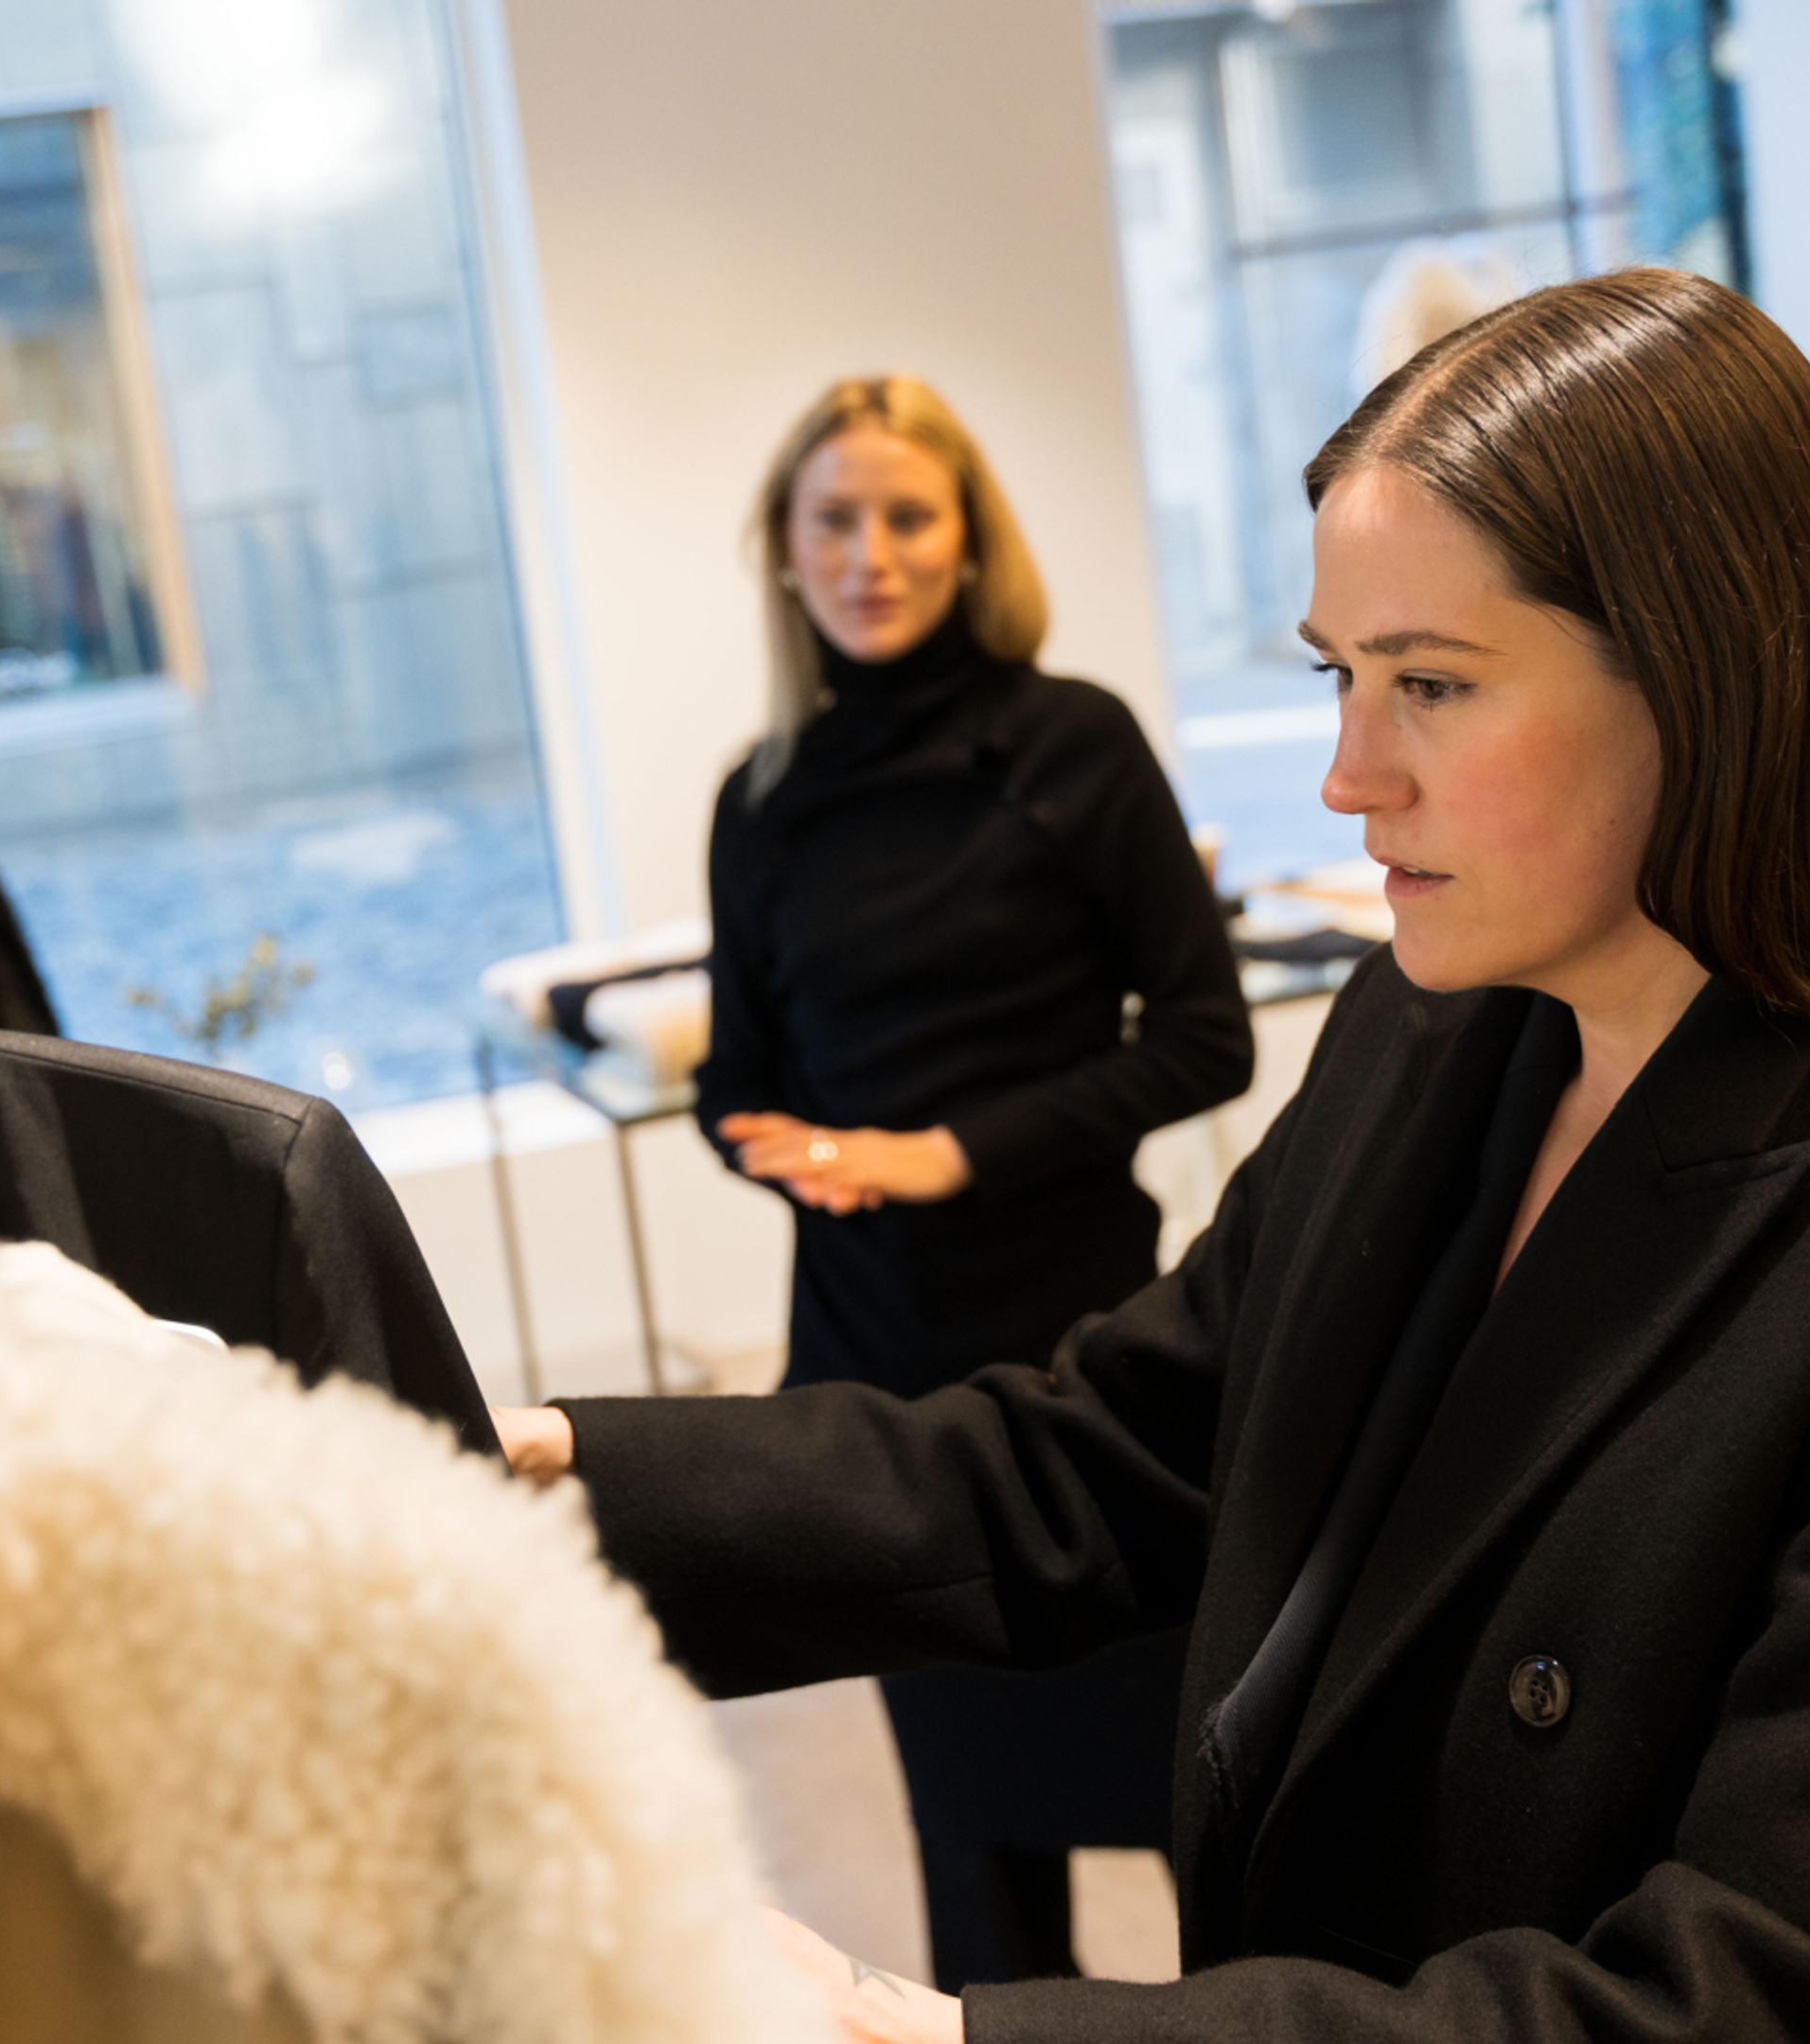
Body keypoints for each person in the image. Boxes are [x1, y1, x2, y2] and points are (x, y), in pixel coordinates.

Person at [501, 270, 1810, 2041]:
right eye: (1341, 676)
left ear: (1717, 680)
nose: (1348, 775)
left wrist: (948, 2038)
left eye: (1431, 684)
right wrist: (535, 1482)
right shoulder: (1435, 1034)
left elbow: (1783, 1996)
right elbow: (1107, 1460)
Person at [689, 373, 1256, 1987]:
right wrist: (794, 1158)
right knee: (969, 1833)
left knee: (1178, 1788)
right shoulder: (764, 797)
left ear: (967, 541)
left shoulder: (1073, 743)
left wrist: (941, 1155)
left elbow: (1204, 1036)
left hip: (1084, 1355)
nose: (871, 554)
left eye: (906, 517)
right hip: (876, 1373)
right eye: (835, 521)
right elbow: (737, 1079)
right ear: (785, 555)